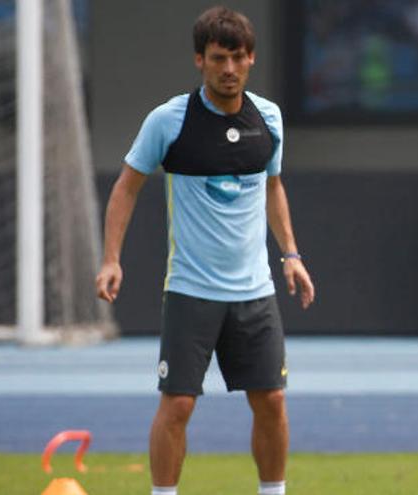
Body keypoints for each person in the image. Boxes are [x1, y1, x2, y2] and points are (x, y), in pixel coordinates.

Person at [95, 7, 314, 495]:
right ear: (200, 60)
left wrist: (291, 255)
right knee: (177, 406)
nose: (229, 68)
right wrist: (111, 258)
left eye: (238, 57)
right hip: (191, 291)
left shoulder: (269, 118)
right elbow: (126, 188)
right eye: (219, 58)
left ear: (251, 59)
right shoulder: (168, 122)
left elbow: (273, 187)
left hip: (254, 292)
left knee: (272, 400)